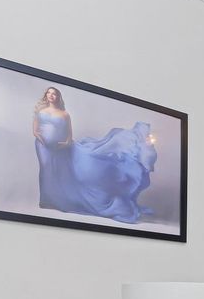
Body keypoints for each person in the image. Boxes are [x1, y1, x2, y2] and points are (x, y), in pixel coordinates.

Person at [32, 86, 157, 223]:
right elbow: (35, 130)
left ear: (58, 97)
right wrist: (42, 139)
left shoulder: (64, 114)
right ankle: (46, 200)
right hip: (42, 146)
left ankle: (60, 199)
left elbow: (69, 136)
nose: (51, 95)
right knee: (46, 169)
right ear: (46, 95)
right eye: (49, 93)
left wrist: (63, 144)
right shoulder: (40, 111)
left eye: (54, 93)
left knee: (65, 172)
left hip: (61, 147)